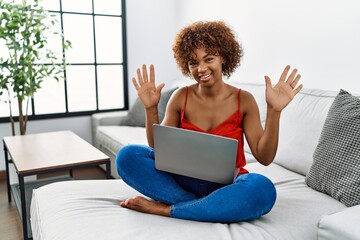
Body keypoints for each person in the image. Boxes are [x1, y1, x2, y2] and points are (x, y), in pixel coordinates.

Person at [116, 21, 302, 223]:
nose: (201, 68)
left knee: (263, 189)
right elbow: (158, 148)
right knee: (127, 156)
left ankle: (166, 209)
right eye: (193, 63)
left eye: (209, 59)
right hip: (181, 182)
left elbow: (264, 157)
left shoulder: (244, 100)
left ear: (223, 57)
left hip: (226, 186)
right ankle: (202, 206)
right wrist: (150, 108)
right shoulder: (181, 97)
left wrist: (274, 111)